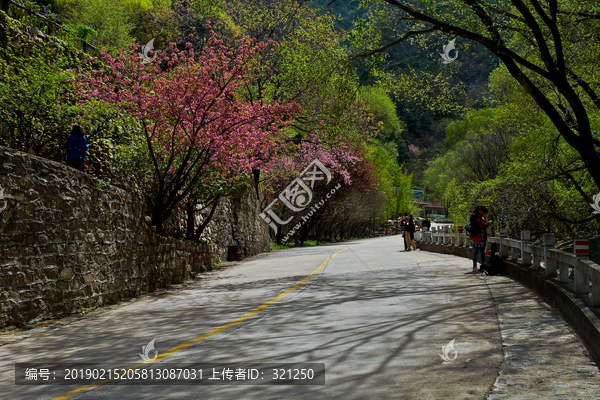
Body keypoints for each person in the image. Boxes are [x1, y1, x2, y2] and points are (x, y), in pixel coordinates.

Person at [470, 205, 489, 272]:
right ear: (480, 210)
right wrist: (481, 223)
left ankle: (483, 264)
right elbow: (473, 225)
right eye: (483, 212)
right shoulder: (474, 216)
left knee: (482, 251)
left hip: (482, 235)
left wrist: (486, 224)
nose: (484, 214)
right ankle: (474, 266)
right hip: (477, 236)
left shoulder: (483, 217)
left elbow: (483, 225)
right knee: (476, 252)